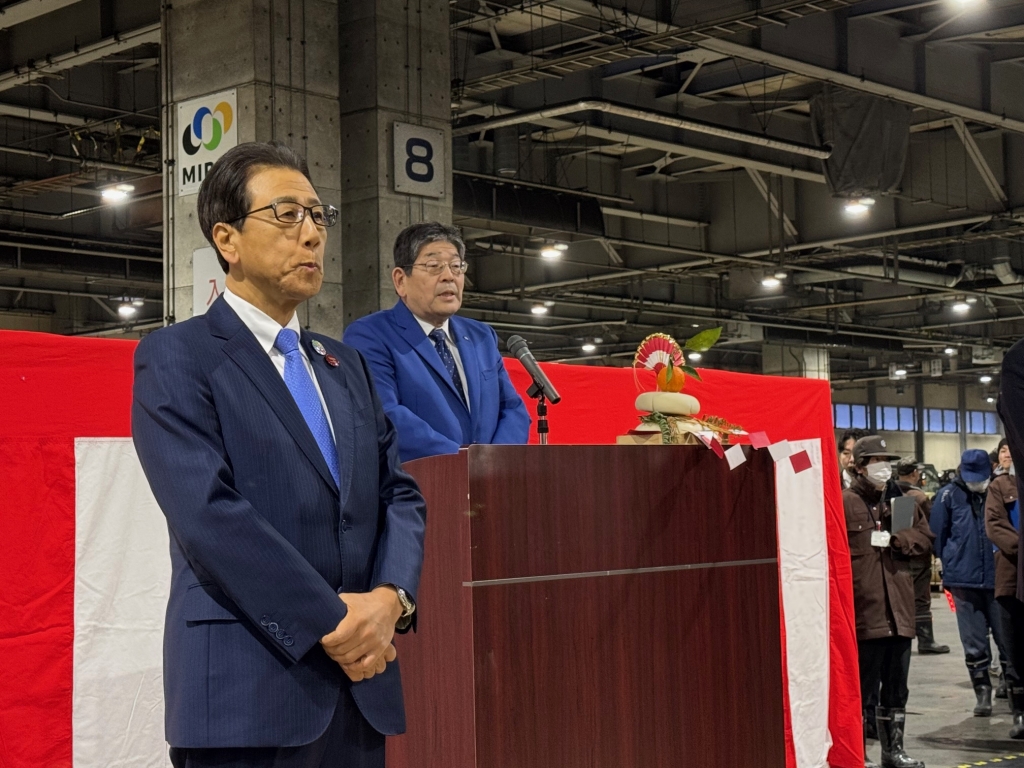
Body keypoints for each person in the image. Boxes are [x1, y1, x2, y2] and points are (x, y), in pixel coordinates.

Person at [131, 142, 427, 768]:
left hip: (360, 688)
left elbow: (397, 492)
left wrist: (390, 598)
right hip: (247, 690)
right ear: (227, 240)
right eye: (287, 215)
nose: (311, 234)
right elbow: (208, 515)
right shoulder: (179, 355)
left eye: (318, 216)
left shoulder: (346, 364)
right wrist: (334, 621)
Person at [343, 222, 531, 462]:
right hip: (419, 480)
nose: (449, 276)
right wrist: (464, 462)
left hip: (489, 478)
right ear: (400, 280)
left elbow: (513, 408)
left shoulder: (481, 336)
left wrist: (495, 462)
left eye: (456, 266)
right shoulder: (370, 335)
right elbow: (384, 415)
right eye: (434, 266)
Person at [844, 436, 930, 768]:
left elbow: (925, 538)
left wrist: (897, 539)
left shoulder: (902, 502)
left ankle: (893, 752)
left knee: (897, 688)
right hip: (865, 613)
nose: (884, 467)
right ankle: (855, 752)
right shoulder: (845, 502)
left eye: (887, 461)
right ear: (859, 466)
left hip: (900, 612)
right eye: (876, 461)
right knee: (860, 689)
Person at [930, 448, 1011, 718]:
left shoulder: (1001, 491)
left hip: (999, 579)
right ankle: (982, 691)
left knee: (1007, 638)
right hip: (963, 580)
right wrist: (950, 562)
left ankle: (1011, 687)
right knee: (973, 641)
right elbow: (938, 535)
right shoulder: (947, 496)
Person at [986, 438, 1024, 737]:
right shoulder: (999, 487)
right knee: (1015, 649)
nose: (1008, 453)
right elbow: (995, 525)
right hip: (1011, 578)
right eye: (1003, 449)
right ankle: (1020, 713)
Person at [896, 461, 949, 655]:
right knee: (921, 598)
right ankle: (926, 640)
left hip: (899, 553)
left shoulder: (892, 493)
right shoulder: (918, 497)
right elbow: (931, 526)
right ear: (915, 473)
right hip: (918, 553)